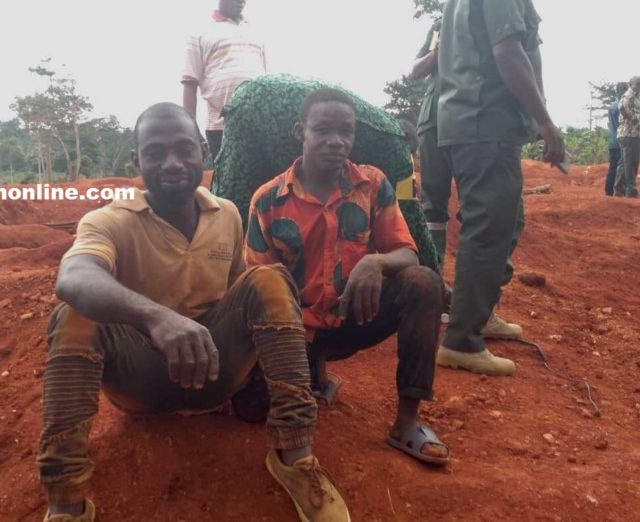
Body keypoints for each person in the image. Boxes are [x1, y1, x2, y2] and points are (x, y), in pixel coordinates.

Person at [37, 103, 349, 522]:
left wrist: (263, 367)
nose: (172, 163)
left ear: (204, 151)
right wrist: (157, 318)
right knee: (74, 312)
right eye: (155, 152)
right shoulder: (107, 221)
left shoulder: (228, 214)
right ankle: (66, 502)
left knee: (268, 279)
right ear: (137, 161)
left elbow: (244, 296)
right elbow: (74, 276)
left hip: (214, 373)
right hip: (141, 378)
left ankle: (296, 458)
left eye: (185, 149)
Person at [246, 89, 450, 467]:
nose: (336, 141)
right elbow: (257, 286)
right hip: (293, 332)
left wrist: (375, 264)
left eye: (346, 132)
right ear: (299, 132)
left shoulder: (372, 184)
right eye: (322, 130)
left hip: (355, 314)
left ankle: (407, 422)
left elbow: (407, 252)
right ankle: (312, 371)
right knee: (249, 410)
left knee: (424, 282)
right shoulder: (267, 200)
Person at [435, 0, 565, 376]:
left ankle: (480, 314)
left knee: (504, 221)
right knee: (489, 230)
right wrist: (545, 121)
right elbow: (508, 52)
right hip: (485, 123)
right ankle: (462, 341)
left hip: (472, 124)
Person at [182, 0, 267, 159]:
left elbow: (266, 79)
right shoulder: (199, 31)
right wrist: (190, 130)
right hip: (221, 128)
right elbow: (189, 83)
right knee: (228, 181)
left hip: (259, 126)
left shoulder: (255, 31)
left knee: (264, 181)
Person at [410, 18, 452, 272]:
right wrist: (438, 52)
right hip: (433, 121)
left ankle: (475, 303)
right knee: (432, 206)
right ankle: (434, 281)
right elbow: (416, 70)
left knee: (477, 208)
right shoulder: (440, 23)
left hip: (475, 122)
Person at [614, 77, 640, 198]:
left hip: (628, 134)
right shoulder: (629, 95)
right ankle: (631, 191)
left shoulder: (635, 96)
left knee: (624, 164)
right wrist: (635, 120)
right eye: (637, 84)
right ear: (631, 84)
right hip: (630, 134)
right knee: (631, 163)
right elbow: (622, 107)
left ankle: (618, 190)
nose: (639, 86)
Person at [605, 83, 628, 196]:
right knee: (622, 167)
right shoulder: (621, 106)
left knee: (613, 166)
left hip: (613, 141)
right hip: (621, 140)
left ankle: (609, 190)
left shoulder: (612, 106)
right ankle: (618, 191)